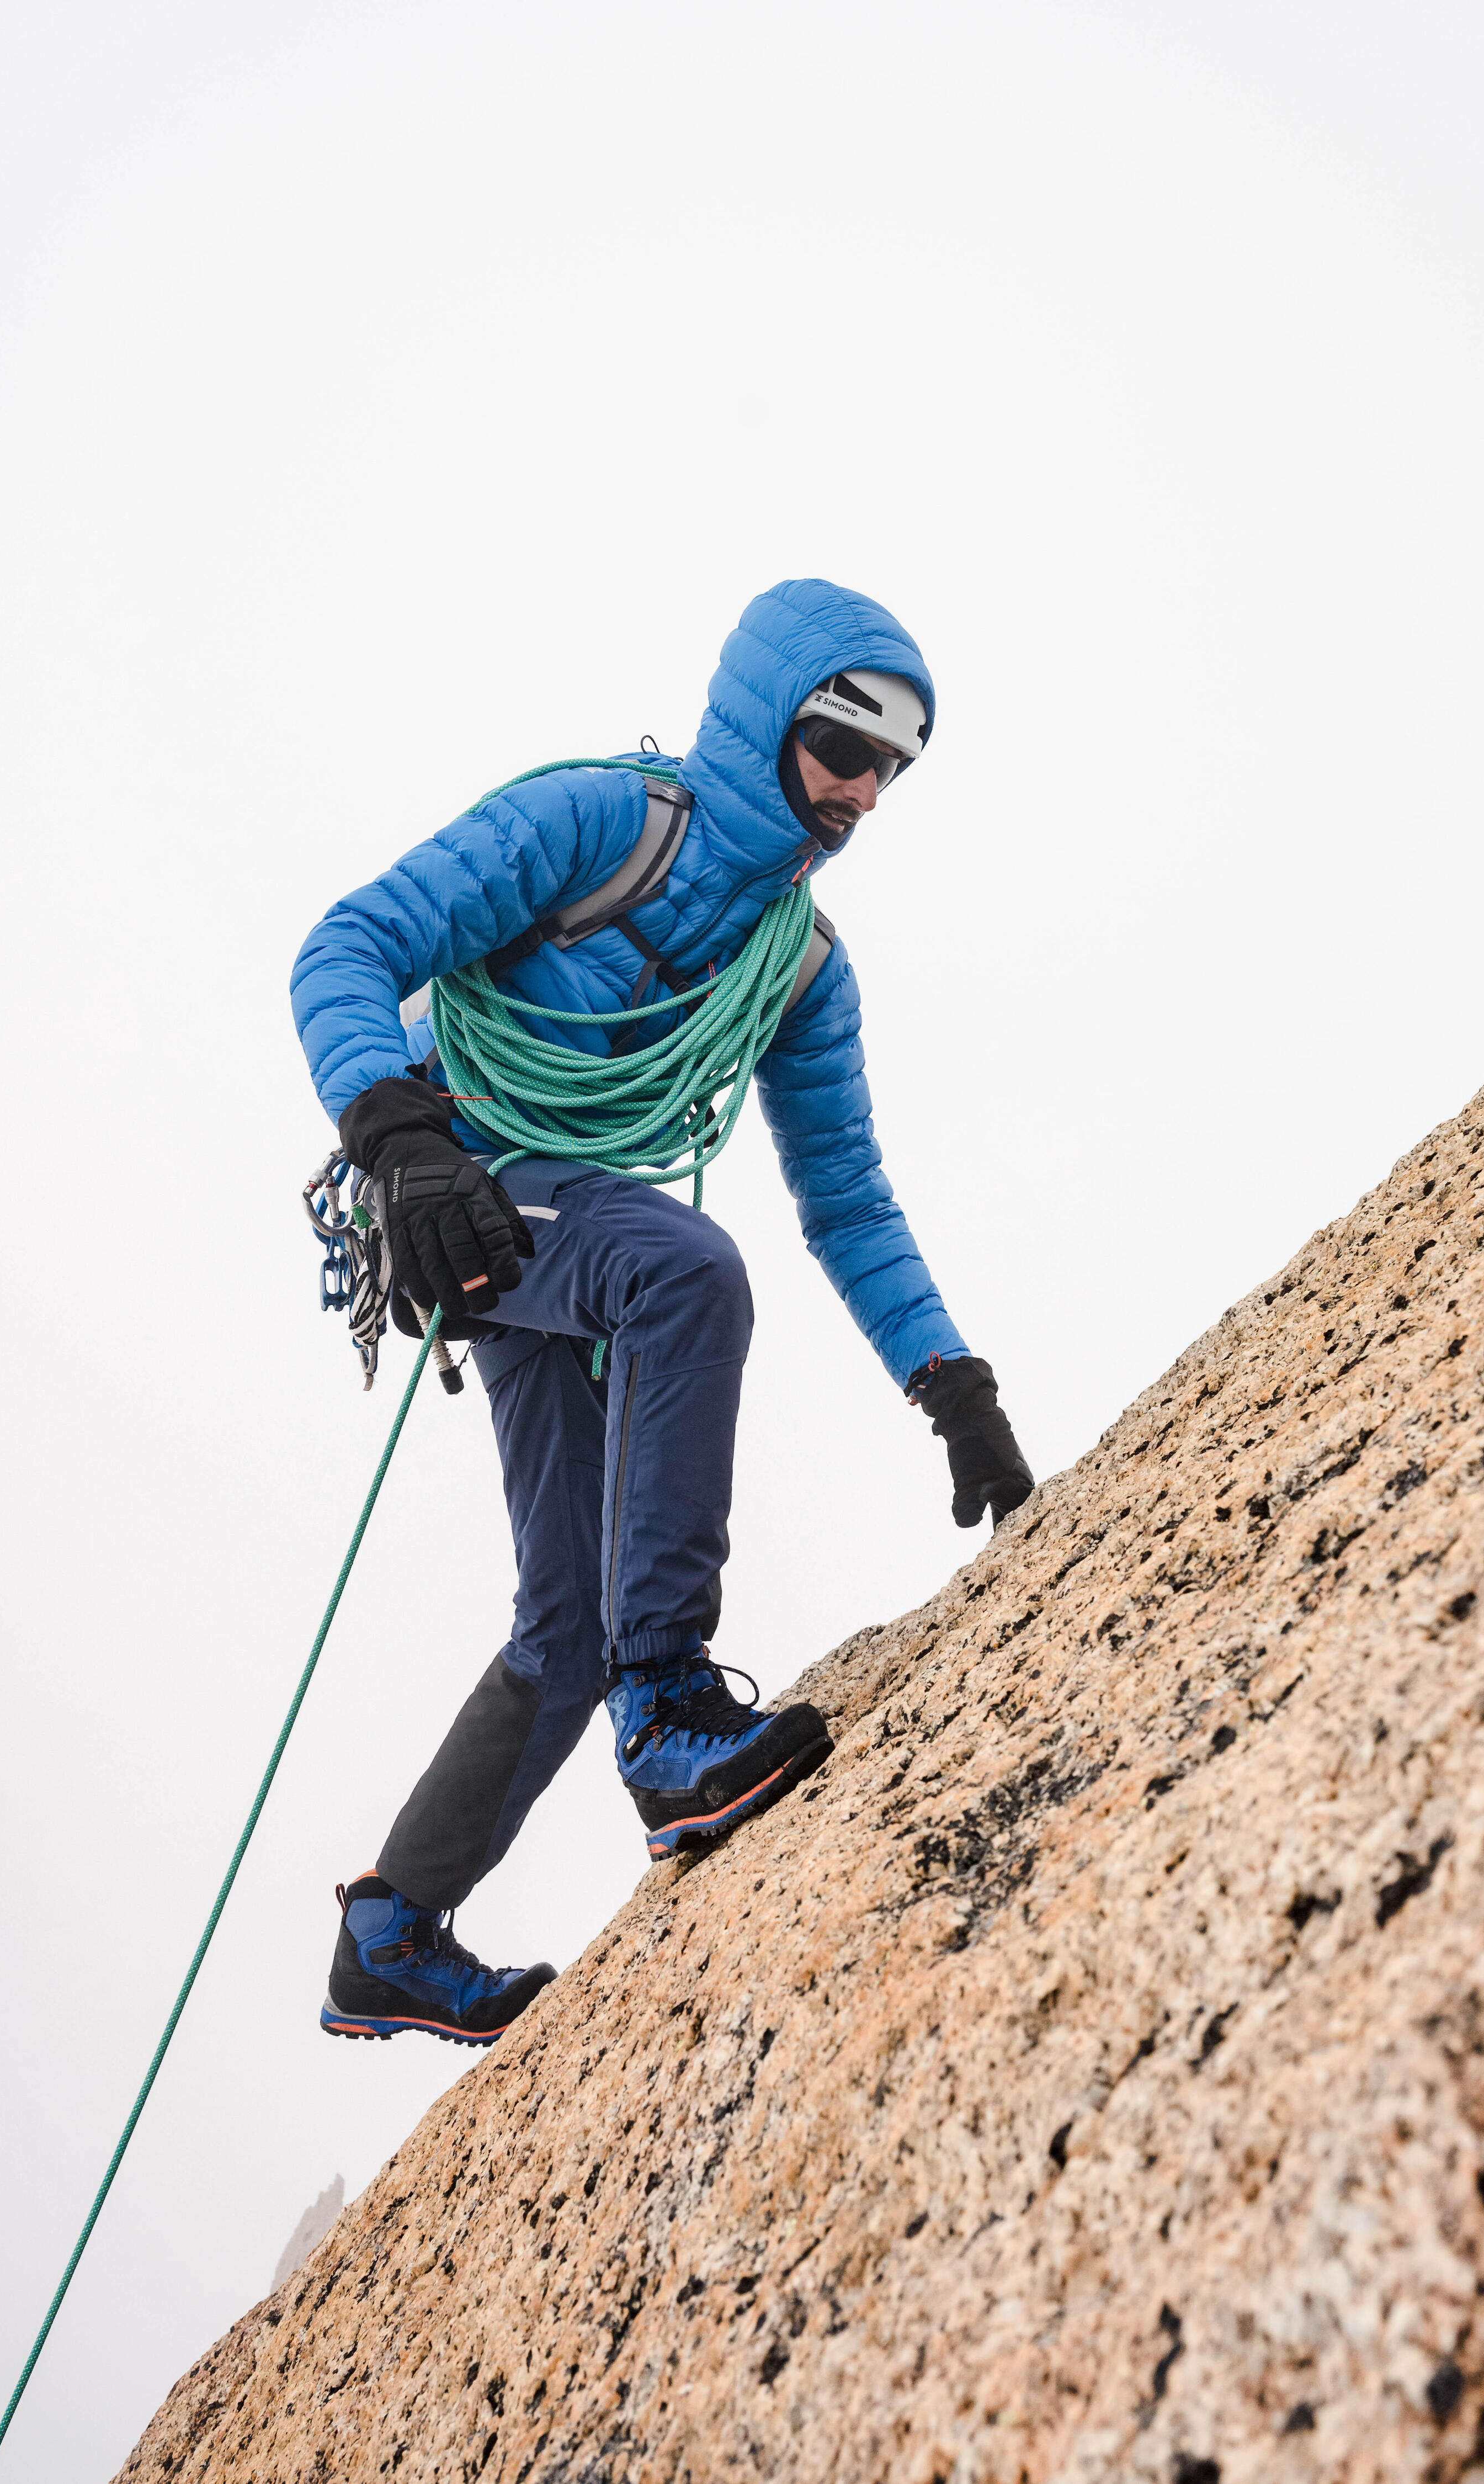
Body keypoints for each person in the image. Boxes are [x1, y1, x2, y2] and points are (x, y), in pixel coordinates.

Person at [292, 577, 1034, 2045]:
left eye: (892, 768)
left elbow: (847, 1197)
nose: (862, 793)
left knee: (563, 1612)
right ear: (769, 719)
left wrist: (951, 1382)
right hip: (451, 1171)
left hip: (536, 1213)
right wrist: (400, 1137)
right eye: (841, 747)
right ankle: (672, 1709)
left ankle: (390, 1929)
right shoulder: (597, 825)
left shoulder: (802, 969)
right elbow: (349, 946)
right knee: (682, 1269)